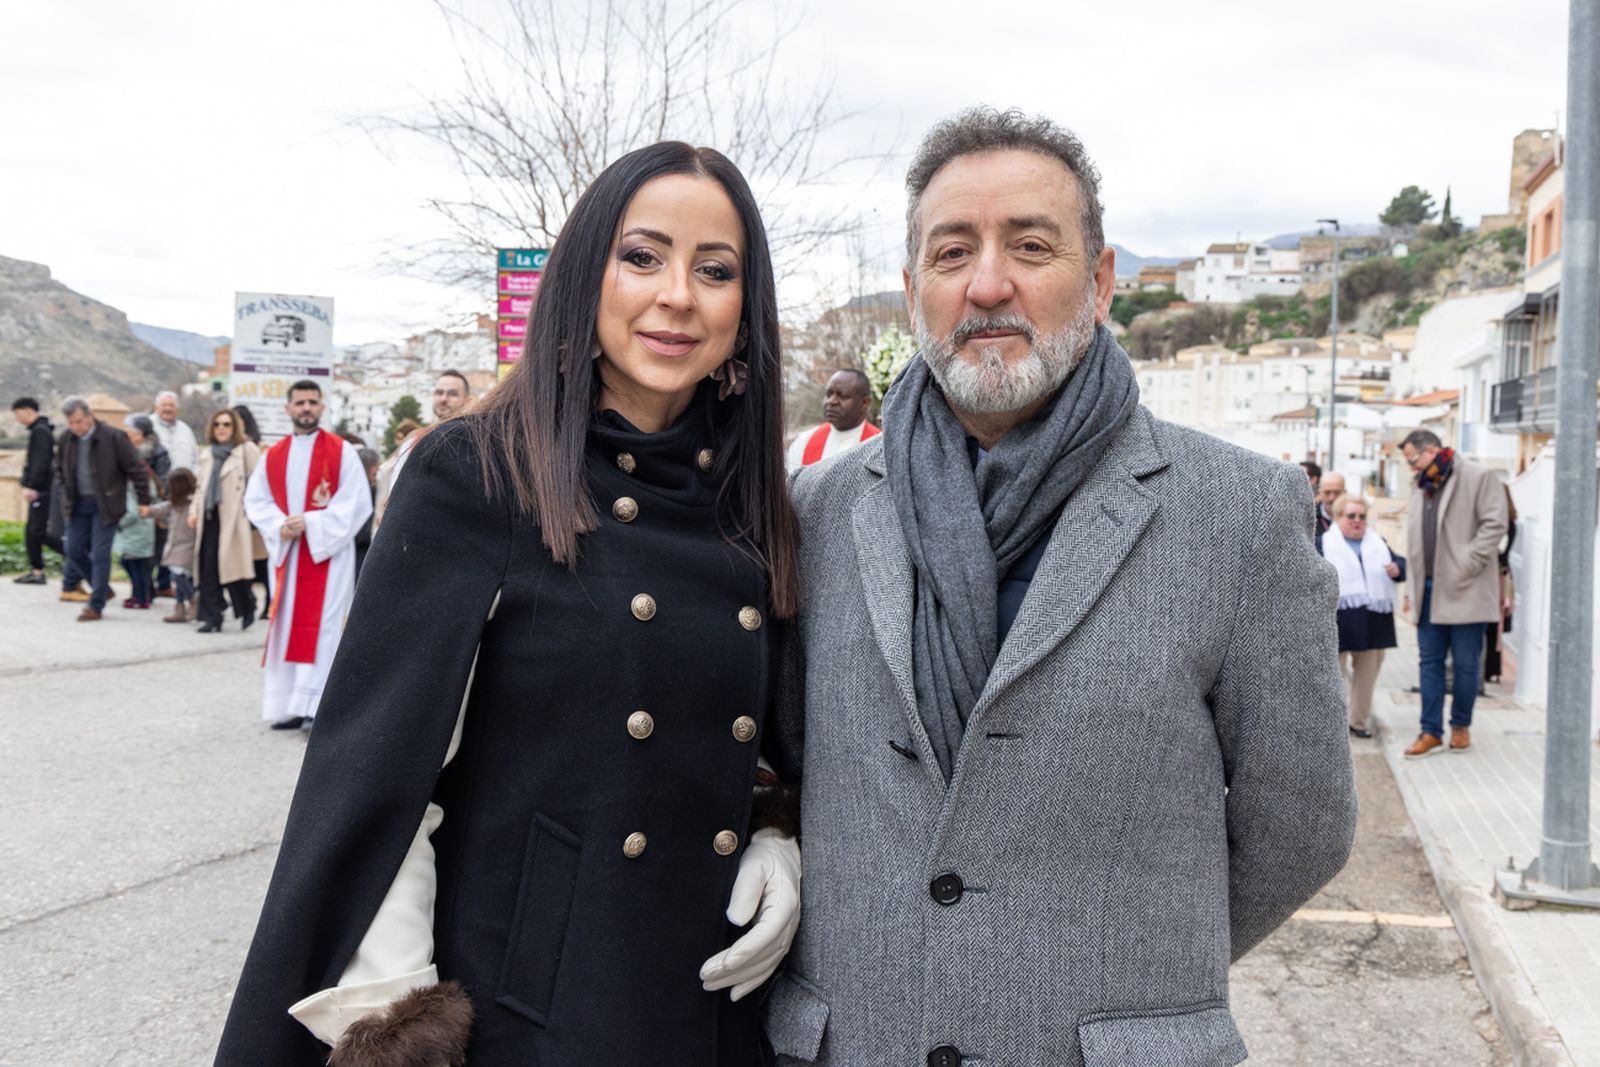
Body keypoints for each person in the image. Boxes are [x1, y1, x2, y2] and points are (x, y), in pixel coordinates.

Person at [764, 108, 1355, 1067]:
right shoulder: (818, 513)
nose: (988, 283)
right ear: (914, 291)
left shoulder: (1240, 513)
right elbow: (793, 763)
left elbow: (1303, 821)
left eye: (1030, 246)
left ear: (1104, 279)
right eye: (954, 253)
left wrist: (1140, 975)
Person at [217, 142, 802, 1067]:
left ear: (746, 306)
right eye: (642, 256)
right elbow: (381, 777)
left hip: (714, 994)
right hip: (534, 1008)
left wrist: (775, 834)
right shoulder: (476, 472)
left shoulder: (750, 506)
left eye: (716, 269)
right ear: (583, 276)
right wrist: (399, 1015)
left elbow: (763, 739)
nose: (678, 293)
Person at [242, 380, 371, 731]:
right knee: (285, 626)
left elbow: (357, 503)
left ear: (322, 407)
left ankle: (318, 707)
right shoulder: (273, 455)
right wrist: (278, 524)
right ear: (288, 408)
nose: (306, 408)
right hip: (288, 555)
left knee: (326, 628)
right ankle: (290, 706)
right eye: (300, 402)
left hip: (326, 557)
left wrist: (312, 523)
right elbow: (256, 500)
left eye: (312, 402)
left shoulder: (342, 452)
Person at [1399, 429, 1508, 758]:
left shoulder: (1478, 476)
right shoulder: (1420, 484)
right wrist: (1410, 588)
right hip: (1427, 588)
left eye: (1412, 459)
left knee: (1465, 665)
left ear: (1431, 450)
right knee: (1428, 664)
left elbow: (1495, 524)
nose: (1410, 467)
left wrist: (1467, 564)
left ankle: (1460, 726)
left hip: (1466, 587)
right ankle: (1430, 731)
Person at [55, 397, 151, 621]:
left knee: (100, 554)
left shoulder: (113, 437)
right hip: (77, 504)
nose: (75, 427)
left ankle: (96, 605)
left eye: (79, 421)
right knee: (74, 550)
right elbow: (59, 470)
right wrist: (63, 493)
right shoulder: (66, 439)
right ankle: (102, 587)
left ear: (89, 416)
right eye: (71, 423)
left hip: (106, 505)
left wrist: (143, 500)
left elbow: (136, 469)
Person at [1318, 494, 1404, 738]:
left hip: (1373, 621)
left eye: (1362, 517)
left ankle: (1358, 721)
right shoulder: (1322, 544)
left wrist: (1398, 568)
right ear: (1337, 517)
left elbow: (1401, 565)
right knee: (1332, 677)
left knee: (1367, 676)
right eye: (1351, 516)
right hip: (1337, 621)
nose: (1357, 521)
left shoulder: (1378, 542)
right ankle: (1331, 726)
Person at [190, 409, 261, 634]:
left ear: (235, 428)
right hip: (209, 518)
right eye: (218, 424)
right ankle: (213, 617)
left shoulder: (246, 450)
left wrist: (251, 513)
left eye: (227, 424)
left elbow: (258, 484)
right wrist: (193, 511)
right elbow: (200, 488)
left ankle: (247, 604)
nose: (222, 428)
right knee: (208, 569)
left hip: (234, 519)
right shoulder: (208, 454)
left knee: (232, 570)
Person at [10, 397, 65, 585]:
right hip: (42, 489)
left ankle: (74, 555)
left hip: (41, 490)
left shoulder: (40, 432)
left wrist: (32, 485)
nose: (18, 419)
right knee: (34, 531)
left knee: (36, 531)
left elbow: (40, 462)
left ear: (27, 411)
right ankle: (37, 569)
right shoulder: (40, 430)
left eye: (18, 414)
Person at [784, 369, 879, 470]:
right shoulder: (804, 441)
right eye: (829, 394)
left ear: (864, 403)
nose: (831, 401)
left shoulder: (880, 445)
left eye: (842, 396)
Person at [233, 405, 273, 617]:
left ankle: (268, 601)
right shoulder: (233, 446)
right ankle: (248, 602)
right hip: (238, 513)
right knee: (244, 560)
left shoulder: (255, 447)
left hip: (254, 515)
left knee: (261, 562)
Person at [149, 468, 199, 623]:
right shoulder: (174, 504)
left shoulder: (193, 504)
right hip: (175, 545)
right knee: (180, 577)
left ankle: (193, 600)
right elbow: (161, 508)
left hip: (186, 546)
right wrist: (148, 511)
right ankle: (179, 608)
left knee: (178, 576)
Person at [115, 480, 157, 609]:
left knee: (132, 565)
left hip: (134, 534)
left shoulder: (130, 487)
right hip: (145, 530)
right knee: (141, 568)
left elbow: (132, 514)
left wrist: (118, 523)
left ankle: (140, 598)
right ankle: (141, 596)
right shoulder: (149, 485)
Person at [150, 390, 198, 471]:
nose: (168, 408)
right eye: (164, 405)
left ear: (177, 408)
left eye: (171, 405)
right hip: (156, 482)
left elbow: (195, 458)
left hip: (184, 481)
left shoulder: (186, 430)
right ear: (156, 407)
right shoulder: (148, 426)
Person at [1315, 469, 1345, 536]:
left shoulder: (1354, 516)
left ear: (1344, 493)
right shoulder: (1311, 517)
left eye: (1337, 493)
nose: (1332, 498)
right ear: (1319, 492)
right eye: (1327, 492)